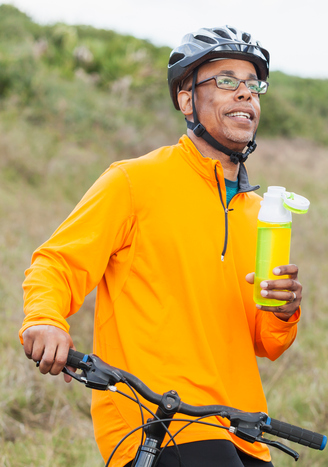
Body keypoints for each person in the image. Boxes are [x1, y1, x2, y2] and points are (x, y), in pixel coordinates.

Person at [20, 26, 303, 467]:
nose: (245, 94)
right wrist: (44, 319)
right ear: (186, 99)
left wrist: (282, 313)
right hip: (157, 420)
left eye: (253, 85)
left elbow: (264, 343)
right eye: (226, 81)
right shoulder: (134, 181)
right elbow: (57, 263)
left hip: (243, 428)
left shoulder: (259, 212)